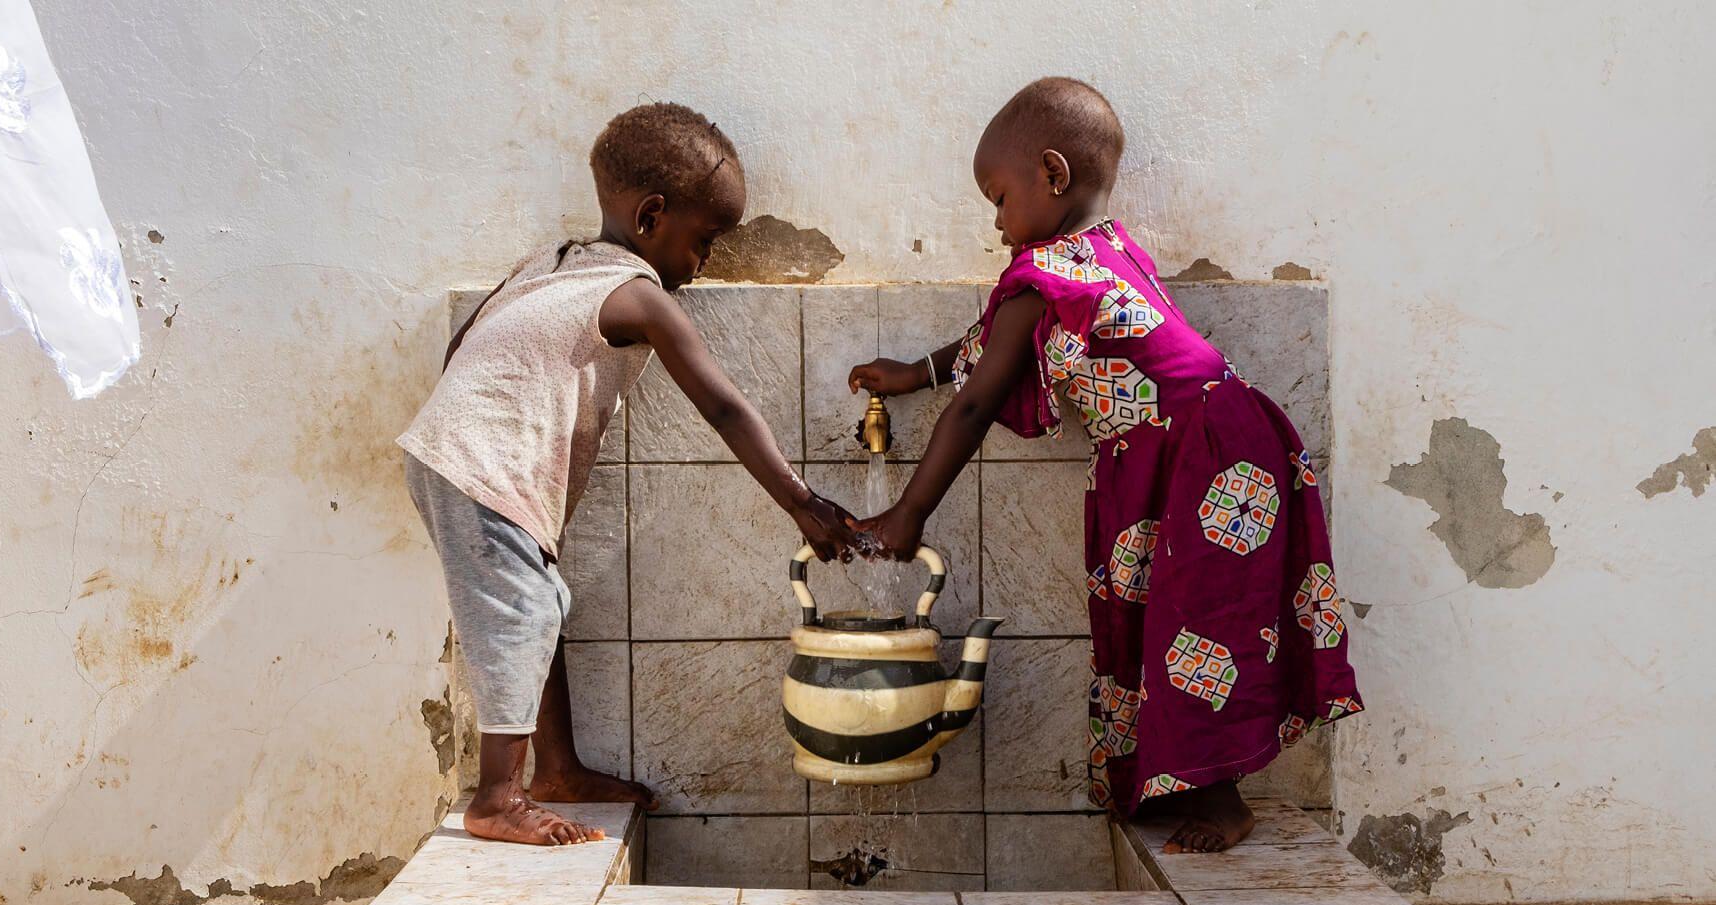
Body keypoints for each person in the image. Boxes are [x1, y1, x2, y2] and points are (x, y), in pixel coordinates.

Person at [849, 78, 1362, 852]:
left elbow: (976, 403)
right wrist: (915, 371)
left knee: (1200, 623)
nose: (995, 223)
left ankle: (1222, 798)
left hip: (1205, 456)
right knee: (1157, 619)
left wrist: (908, 513)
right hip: (1190, 446)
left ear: (1052, 176)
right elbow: (989, 353)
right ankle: (1167, 780)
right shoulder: (1098, 252)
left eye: (997, 198)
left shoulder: (1047, 273)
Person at [400, 103, 855, 846]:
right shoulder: (640, 295)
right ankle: (496, 798)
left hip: (457, 448)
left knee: (540, 600)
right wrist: (802, 503)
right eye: (704, 242)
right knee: (521, 612)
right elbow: (726, 407)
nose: (703, 263)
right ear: (650, 217)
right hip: (483, 463)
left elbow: (463, 341)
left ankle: (558, 771)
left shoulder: (552, 261)